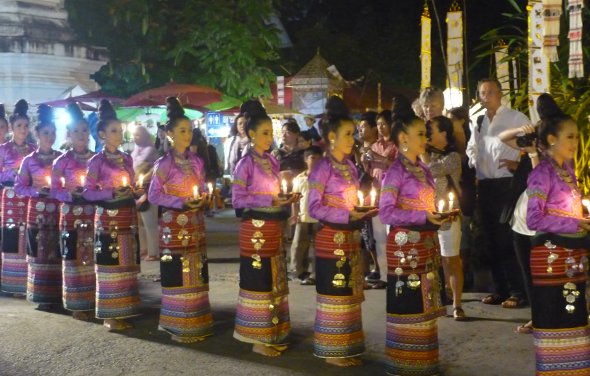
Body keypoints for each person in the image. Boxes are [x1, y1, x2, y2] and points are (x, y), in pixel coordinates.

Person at [308, 96, 378, 367]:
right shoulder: (321, 168)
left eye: (354, 133)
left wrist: (360, 210)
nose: (354, 139)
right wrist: (345, 214)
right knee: (334, 293)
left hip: (350, 236)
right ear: (332, 137)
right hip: (331, 238)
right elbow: (314, 206)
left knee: (350, 293)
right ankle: (332, 351)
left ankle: (347, 346)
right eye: (348, 134)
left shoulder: (349, 166)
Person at [379, 107, 447, 376]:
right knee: (409, 303)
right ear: (403, 138)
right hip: (406, 247)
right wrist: (422, 216)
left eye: (425, 133)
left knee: (425, 304)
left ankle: (423, 363)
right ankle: (405, 365)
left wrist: (439, 216)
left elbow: (429, 205)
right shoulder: (395, 172)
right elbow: (386, 212)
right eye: (420, 133)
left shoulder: (422, 168)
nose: (425, 138)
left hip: (426, 246)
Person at [525, 93, 590, 374]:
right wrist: (574, 224)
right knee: (556, 316)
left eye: (577, 137)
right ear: (552, 139)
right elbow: (534, 217)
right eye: (571, 137)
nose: (576, 143)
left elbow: (566, 210)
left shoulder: (567, 171)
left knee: (574, 314)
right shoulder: (542, 173)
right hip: (551, 258)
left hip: (573, 256)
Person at [231, 100, 296, 357]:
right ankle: (257, 339)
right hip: (254, 229)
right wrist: (268, 200)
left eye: (272, 132)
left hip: (273, 226)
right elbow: (237, 199)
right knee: (259, 281)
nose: (270, 137)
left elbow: (275, 192)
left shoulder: (272, 161)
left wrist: (285, 199)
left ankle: (273, 333)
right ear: (251, 134)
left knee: (275, 280)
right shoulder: (244, 164)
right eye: (265, 132)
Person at [148, 97, 213, 343]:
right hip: (174, 225)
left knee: (196, 270)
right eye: (182, 131)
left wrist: (202, 198)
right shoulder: (163, 164)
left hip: (195, 224)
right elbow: (154, 194)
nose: (187, 135)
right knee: (176, 271)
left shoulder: (196, 161)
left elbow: (198, 188)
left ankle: (197, 321)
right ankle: (177, 325)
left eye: (190, 130)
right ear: (170, 134)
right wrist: (179, 202)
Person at [466, 78, 529, 308]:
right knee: (490, 238)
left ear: (500, 94)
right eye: (482, 92)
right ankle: (500, 289)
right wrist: (476, 161)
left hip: (506, 184)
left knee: (506, 238)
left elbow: (532, 144)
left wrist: (520, 165)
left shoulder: (515, 117)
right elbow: (471, 147)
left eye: (490, 92)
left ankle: (518, 291)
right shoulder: (479, 120)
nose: (486, 96)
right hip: (485, 185)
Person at [83, 99, 142, 331]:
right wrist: (110, 192)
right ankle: (109, 315)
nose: (119, 134)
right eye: (114, 131)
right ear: (102, 135)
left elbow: (134, 183)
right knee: (110, 266)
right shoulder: (96, 161)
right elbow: (88, 192)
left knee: (126, 264)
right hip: (108, 220)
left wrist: (136, 191)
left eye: (120, 130)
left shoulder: (127, 159)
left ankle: (125, 309)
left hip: (127, 217)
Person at [51, 103, 96, 319]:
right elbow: (54, 189)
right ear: (69, 134)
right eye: (76, 131)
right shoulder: (62, 161)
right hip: (70, 215)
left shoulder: (97, 159)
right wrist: (70, 195)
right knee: (74, 257)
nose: (81, 135)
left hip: (93, 213)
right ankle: (77, 304)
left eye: (84, 130)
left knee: (94, 256)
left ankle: (96, 300)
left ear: (89, 132)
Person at [15, 105, 62, 310]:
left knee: (58, 250)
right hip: (37, 211)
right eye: (45, 133)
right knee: (39, 250)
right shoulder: (29, 160)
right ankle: (41, 296)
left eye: (53, 133)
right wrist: (36, 191)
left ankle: (59, 293)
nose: (50, 137)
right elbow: (19, 187)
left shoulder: (62, 158)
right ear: (37, 134)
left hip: (59, 211)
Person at [422, 115, 466, 320]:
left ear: (444, 133)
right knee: (432, 261)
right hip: (430, 215)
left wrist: (421, 150)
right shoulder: (428, 154)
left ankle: (457, 304)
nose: (428, 135)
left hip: (449, 215)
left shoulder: (452, 157)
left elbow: (430, 171)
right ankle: (437, 300)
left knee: (451, 260)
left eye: (431, 131)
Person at [0, 99, 36, 296]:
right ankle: (12, 283)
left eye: (25, 125)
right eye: (19, 126)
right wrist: (13, 172)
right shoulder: (4, 149)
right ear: (11, 128)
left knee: (28, 235)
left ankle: (28, 281)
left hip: (28, 197)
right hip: (11, 197)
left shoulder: (33, 150)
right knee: (13, 236)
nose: (23, 129)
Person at [364, 110, 397, 287]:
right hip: (376, 193)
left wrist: (379, 158)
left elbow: (398, 166)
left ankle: (394, 273)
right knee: (378, 236)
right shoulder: (374, 145)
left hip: (392, 195)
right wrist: (364, 161)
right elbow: (369, 171)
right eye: (378, 124)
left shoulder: (397, 145)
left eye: (383, 124)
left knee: (390, 234)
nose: (380, 127)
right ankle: (384, 275)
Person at [448, 107, 477, 289]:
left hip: (465, 190)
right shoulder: (450, 143)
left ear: (462, 121)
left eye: (452, 120)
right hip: (454, 192)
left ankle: (465, 272)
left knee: (464, 231)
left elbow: (467, 163)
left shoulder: (469, 140)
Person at [289, 145, 322, 285]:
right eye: (312, 158)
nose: (315, 161)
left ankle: (316, 273)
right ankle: (298, 271)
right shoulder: (300, 178)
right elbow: (294, 199)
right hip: (303, 216)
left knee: (318, 246)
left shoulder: (324, 178)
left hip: (319, 218)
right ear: (306, 160)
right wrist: (294, 214)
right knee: (298, 244)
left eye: (319, 159)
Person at [131, 125, 159, 261]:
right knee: (139, 222)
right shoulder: (135, 151)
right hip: (137, 190)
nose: (135, 138)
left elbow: (156, 170)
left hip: (149, 189)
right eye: (134, 135)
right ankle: (143, 248)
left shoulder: (151, 151)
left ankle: (153, 252)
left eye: (138, 135)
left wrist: (144, 178)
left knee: (150, 222)